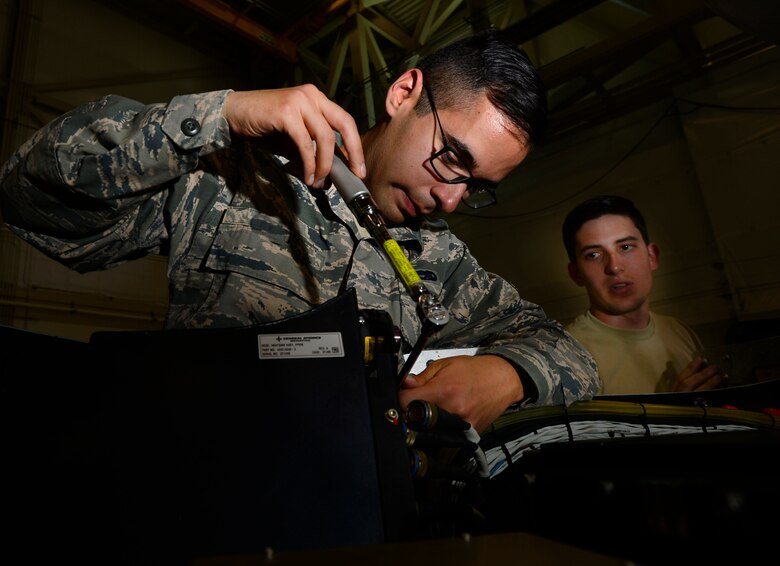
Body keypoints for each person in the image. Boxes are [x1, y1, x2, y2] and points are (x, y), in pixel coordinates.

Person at [1, 30, 598, 434]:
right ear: (404, 93)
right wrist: (221, 115)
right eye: (451, 159)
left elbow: (572, 355)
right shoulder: (239, 178)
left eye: (478, 186)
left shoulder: (445, 263)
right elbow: (31, 192)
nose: (451, 197)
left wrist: (509, 375)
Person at [562, 194, 723, 394]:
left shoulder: (679, 331)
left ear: (652, 256)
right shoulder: (568, 357)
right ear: (576, 274)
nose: (614, 266)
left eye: (626, 247)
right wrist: (678, 411)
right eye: (593, 255)